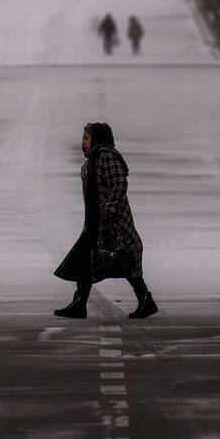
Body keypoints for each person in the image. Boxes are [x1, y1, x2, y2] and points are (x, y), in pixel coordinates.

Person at [53, 122, 158, 320]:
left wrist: (109, 210)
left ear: (97, 139)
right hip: (96, 223)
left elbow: (119, 184)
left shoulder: (107, 157)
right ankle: (79, 303)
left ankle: (146, 300)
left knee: (125, 260)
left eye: (86, 138)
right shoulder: (93, 160)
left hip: (113, 223)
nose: (82, 142)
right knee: (87, 261)